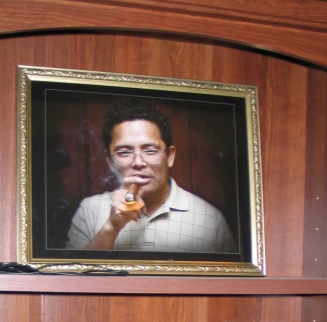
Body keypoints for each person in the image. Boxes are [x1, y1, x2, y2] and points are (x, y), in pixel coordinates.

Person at [65, 99, 236, 253]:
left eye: (150, 150)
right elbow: (73, 283)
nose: (138, 162)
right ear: (110, 161)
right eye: (124, 152)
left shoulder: (210, 219)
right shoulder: (89, 210)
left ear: (169, 156)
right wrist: (110, 227)